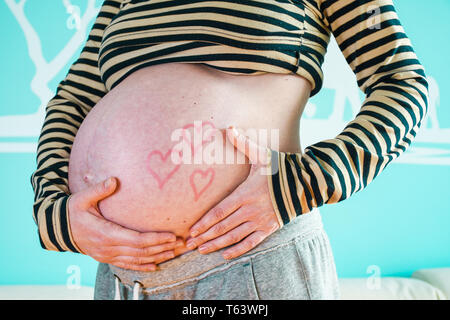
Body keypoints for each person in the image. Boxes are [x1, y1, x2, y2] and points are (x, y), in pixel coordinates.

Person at [30, 0, 429, 300]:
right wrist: (55, 213)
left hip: (248, 259)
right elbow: (73, 102)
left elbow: (402, 83)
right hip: (124, 274)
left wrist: (306, 182)